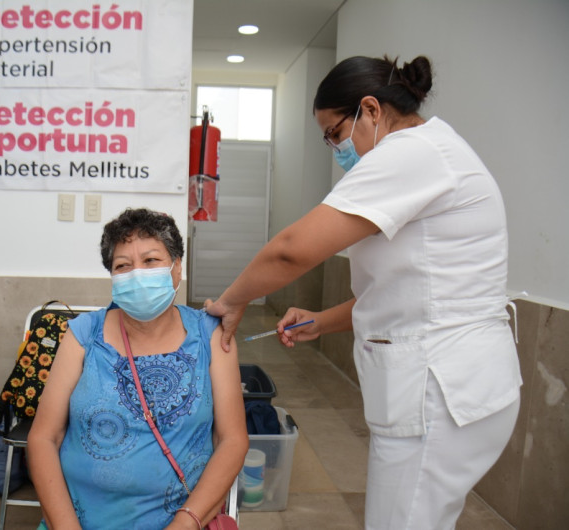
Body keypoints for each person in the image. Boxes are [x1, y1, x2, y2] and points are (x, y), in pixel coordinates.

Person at [205, 55, 522, 529]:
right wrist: (321, 320)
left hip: (441, 392)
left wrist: (231, 301)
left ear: (371, 111)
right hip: (456, 384)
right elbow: (406, 292)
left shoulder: (412, 153)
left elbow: (290, 251)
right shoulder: (434, 152)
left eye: (335, 134)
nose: (336, 149)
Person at [28, 208, 248, 529]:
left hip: (181, 520)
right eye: (123, 266)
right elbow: (44, 438)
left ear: (177, 269)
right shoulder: (84, 335)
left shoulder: (210, 335)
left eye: (151, 261)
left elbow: (233, 440)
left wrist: (186, 522)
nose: (137, 274)